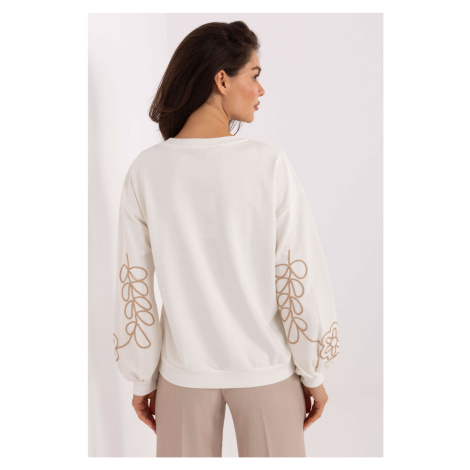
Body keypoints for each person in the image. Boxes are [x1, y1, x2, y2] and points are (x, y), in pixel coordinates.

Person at [112, 20, 340, 457]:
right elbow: (297, 273)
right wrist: (312, 372)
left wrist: (142, 378)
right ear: (222, 80)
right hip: (266, 371)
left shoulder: (147, 170)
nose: (261, 89)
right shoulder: (268, 164)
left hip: (183, 376)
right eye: (254, 75)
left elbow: (133, 285)